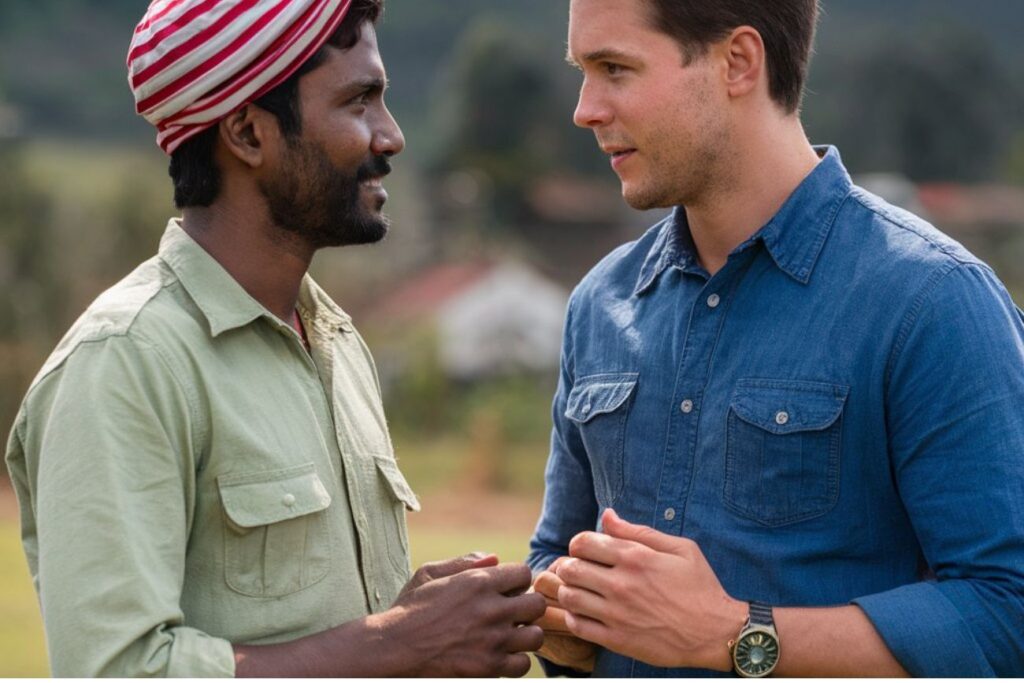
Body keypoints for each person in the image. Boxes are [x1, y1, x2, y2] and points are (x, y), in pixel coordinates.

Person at [4, 0, 545, 676]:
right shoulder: (125, 362)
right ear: (247, 133)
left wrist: (417, 620)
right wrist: (399, 642)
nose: (392, 136)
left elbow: (349, 642)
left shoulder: (338, 342)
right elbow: (114, 669)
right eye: (360, 102)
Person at [527, 0, 1024, 677]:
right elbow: (555, 556)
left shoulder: (932, 301)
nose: (585, 109)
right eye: (584, 71)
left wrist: (732, 635)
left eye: (615, 68)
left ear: (738, 62)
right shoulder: (599, 303)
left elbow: (1005, 614)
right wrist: (547, 609)